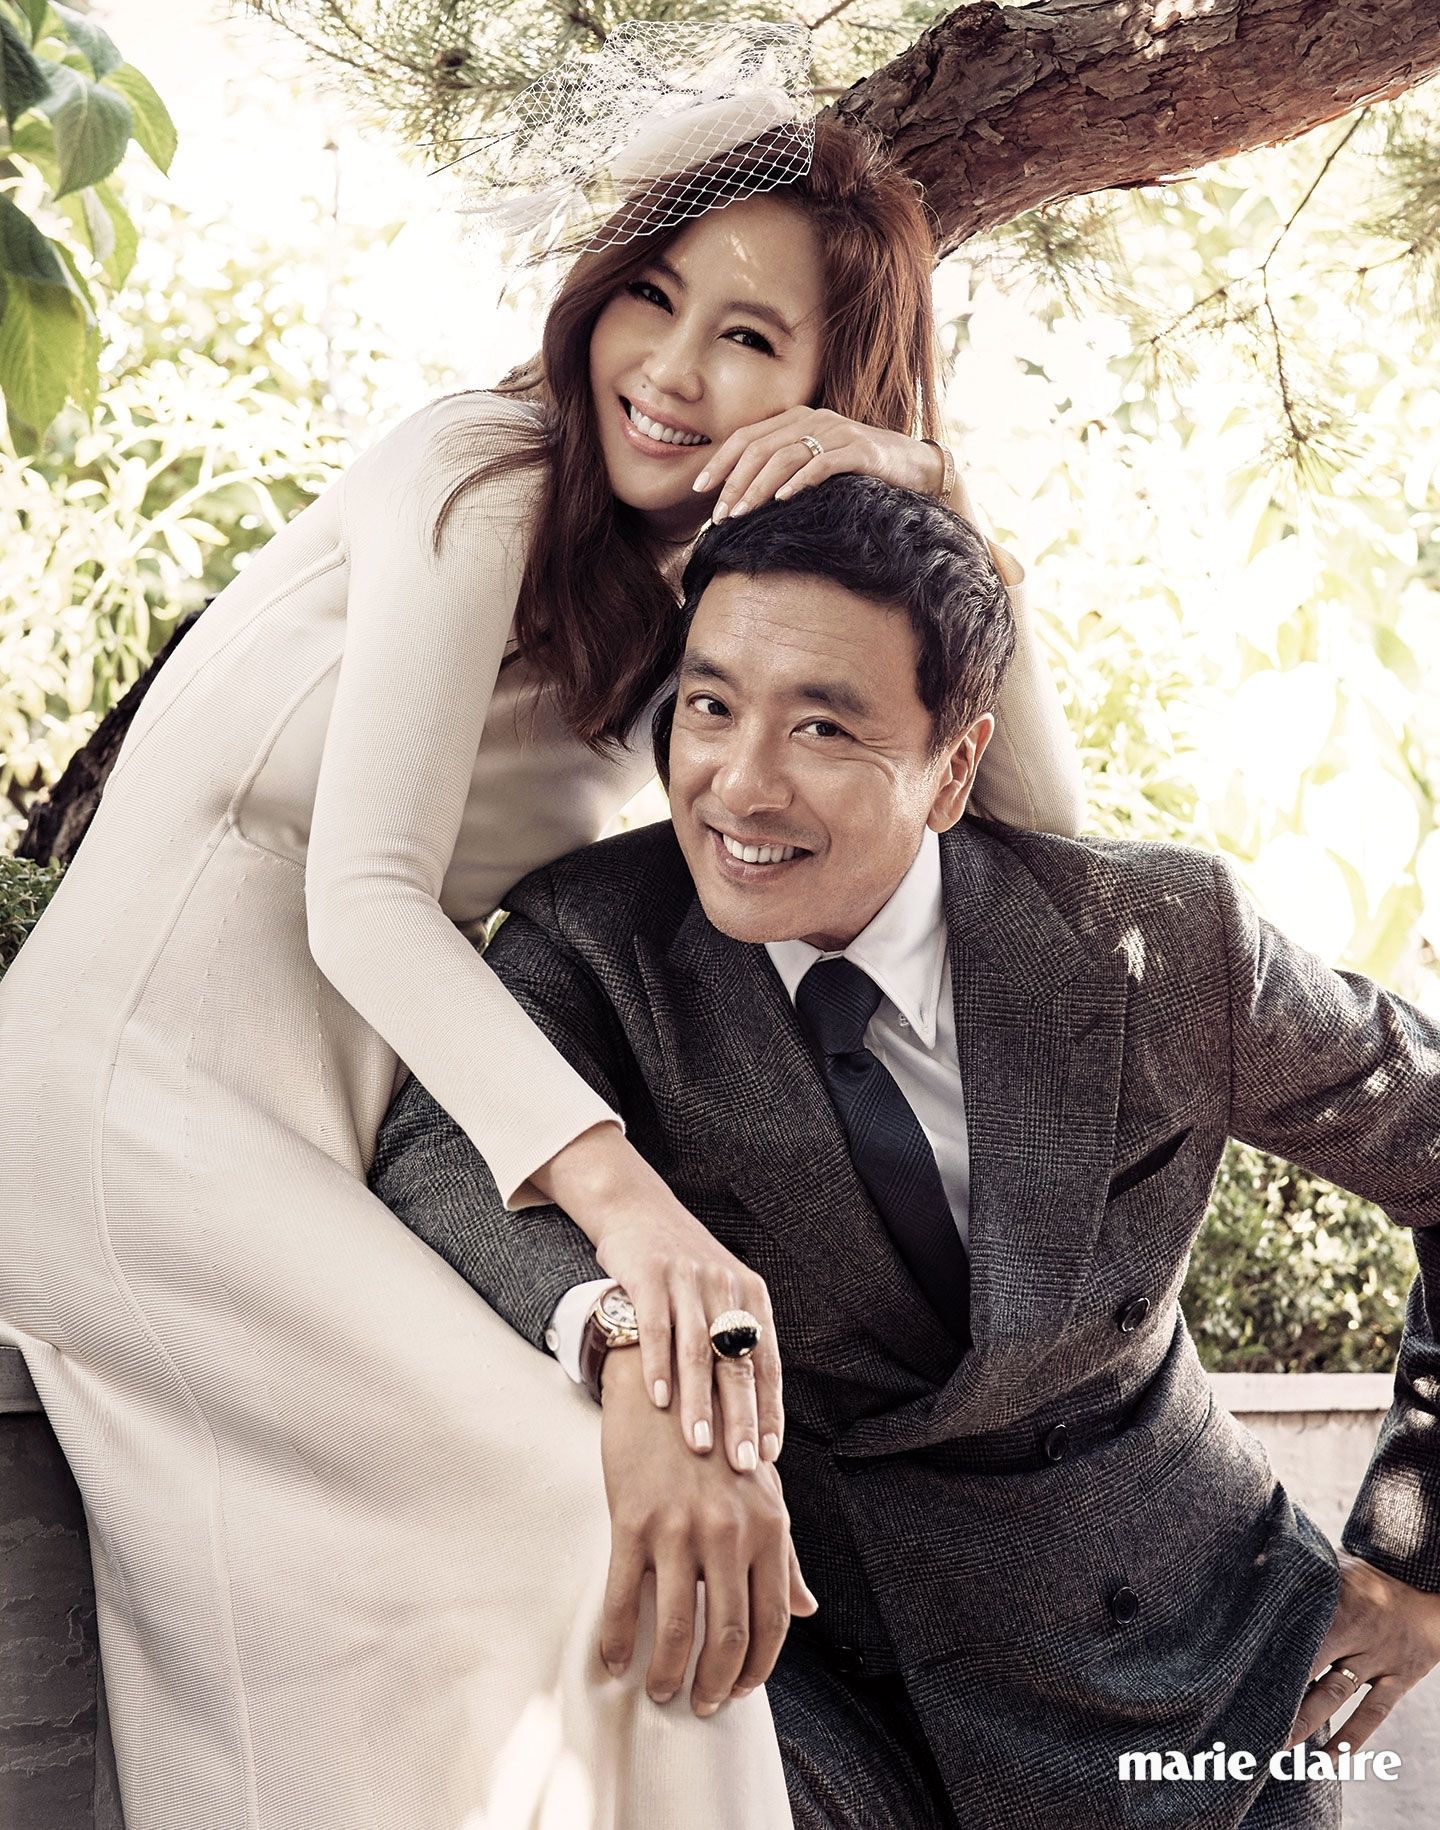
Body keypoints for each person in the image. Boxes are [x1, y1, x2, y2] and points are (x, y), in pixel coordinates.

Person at [0, 64, 1085, 1830]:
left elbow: (1032, 846)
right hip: (122, 1103)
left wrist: (934, 502)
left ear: (829, 394)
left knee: (623, 1528)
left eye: (749, 338)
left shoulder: (690, 616)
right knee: (579, 1513)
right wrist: (636, 1217)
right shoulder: (482, 466)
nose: (670, 368)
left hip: (316, 1138)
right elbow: (365, 893)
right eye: (651, 295)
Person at [371, 473, 1440, 1830]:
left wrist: (1422, 1558)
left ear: (953, 767)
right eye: (710, 705)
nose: (739, 784)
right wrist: (637, 1348)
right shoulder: (592, 940)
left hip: (1197, 1679)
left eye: (824, 726)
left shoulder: (1163, 940)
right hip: (825, 1681)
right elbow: (438, 1142)